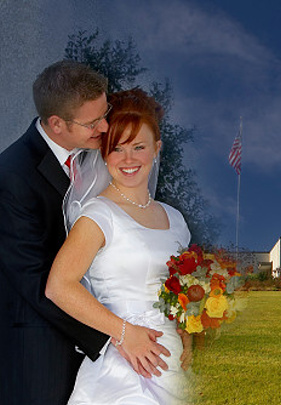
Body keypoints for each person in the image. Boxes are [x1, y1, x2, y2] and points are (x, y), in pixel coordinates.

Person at [0, 60, 170, 404]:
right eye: (94, 122)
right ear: (56, 124)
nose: (105, 126)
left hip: (108, 343)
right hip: (40, 355)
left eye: (104, 113)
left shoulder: (95, 156)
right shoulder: (11, 176)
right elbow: (35, 282)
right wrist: (117, 335)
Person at [45, 88, 192, 404]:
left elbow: (178, 292)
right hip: (123, 364)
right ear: (104, 153)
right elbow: (58, 286)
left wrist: (188, 332)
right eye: (118, 148)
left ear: (156, 149)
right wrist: (124, 333)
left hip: (172, 363)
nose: (128, 159)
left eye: (139, 147)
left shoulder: (176, 219)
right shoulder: (99, 214)